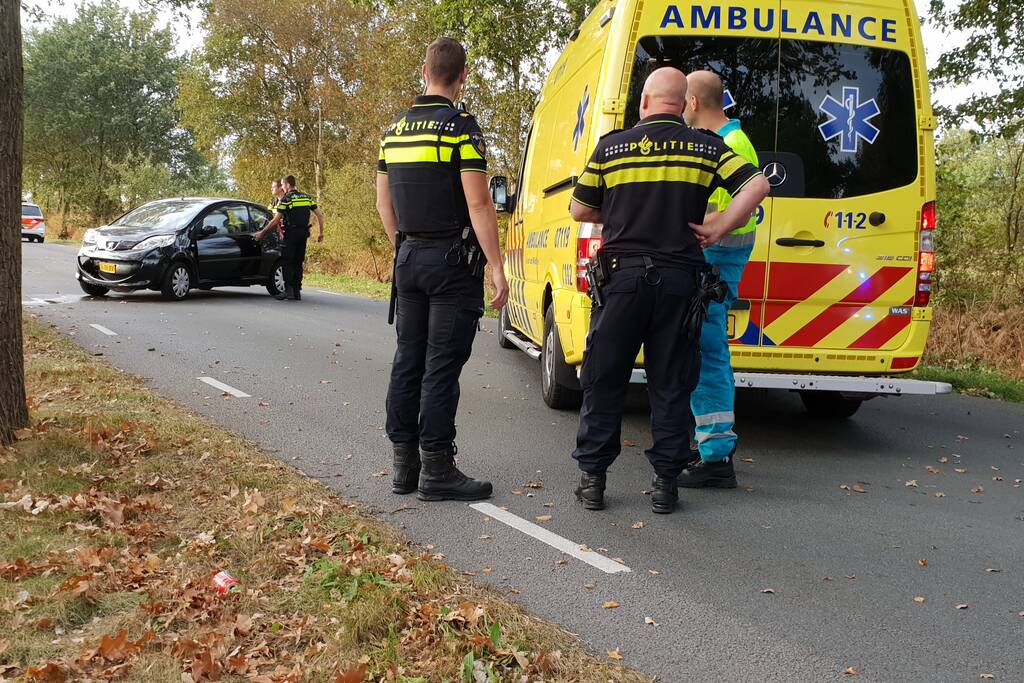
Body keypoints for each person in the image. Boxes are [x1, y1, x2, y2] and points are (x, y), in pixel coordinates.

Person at [568, 67, 770, 514]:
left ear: (644, 101)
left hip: (621, 283)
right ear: (682, 106)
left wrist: (621, 208)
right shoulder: (707, 147)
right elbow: (757, 185)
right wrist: (720, 223)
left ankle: (593, 482)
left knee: (605, 378)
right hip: (680, 284)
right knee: (672, 383)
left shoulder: (612, 147)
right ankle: (665, 485)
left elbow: (579, 207)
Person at [376, 37, 509, 502]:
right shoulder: (461, 128)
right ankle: (437, 468)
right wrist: (497, 266)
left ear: (423, 70)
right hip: (452, 264)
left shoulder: (394, 130)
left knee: (407, 359)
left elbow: (383, 201)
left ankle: (402, 464)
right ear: (463, 75)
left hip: (408, 259)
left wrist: (402, 247)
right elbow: (478, 201)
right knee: (440, 366)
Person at [677, 70, 762, 489]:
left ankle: (716, 457)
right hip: (716, 261)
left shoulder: (727, 145)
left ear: (692, 102)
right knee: (703, 351)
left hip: (715, 262)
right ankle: (708, 443)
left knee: (709, 354)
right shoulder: (732, 140)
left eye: (681, 101)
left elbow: (730, 214)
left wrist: (684, 227)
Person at [255, 175, 324, 301]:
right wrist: (321, 233)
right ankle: (297, 291)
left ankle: (288, 291)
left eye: (282, 184)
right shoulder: (306, 197)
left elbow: (276, 220)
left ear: (287, 185)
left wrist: (262, 232)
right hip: (303, 234)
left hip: (291, 234)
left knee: (287, 262)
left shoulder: (287, 199)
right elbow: (319, 215)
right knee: (298, 262)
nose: (282, 187)